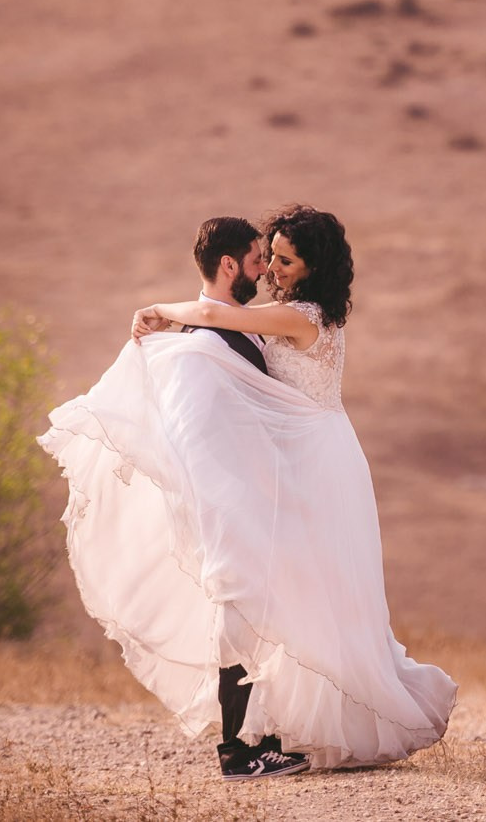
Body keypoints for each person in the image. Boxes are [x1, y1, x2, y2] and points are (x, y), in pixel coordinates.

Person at [39, 207, 455, 781]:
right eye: (272, 257)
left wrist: (158, 312)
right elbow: (223, 321)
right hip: (305, 457)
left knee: (301, 590)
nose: (274, 270)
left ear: (312, 267)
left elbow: (215, 313)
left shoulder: (301, 316)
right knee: (289, 591)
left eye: (285, 261)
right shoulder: (299, 312)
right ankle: (262, 738)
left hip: (314, 462)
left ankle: (259, 740)